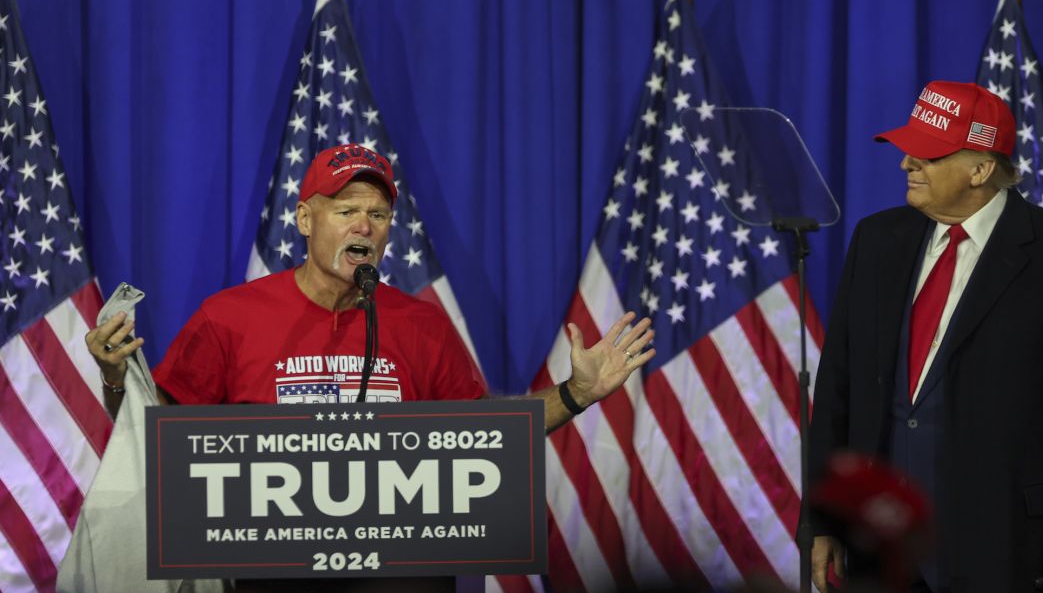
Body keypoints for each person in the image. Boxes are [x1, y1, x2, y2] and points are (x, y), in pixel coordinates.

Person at [808, 81, 1043, 593]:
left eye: (927, 153)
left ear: (980, 169)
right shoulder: (877, 240)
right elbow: (838, 385)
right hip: (882, 557)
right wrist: (823, 520)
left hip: (1009, 557)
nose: (907, 161)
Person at [84, 143, 654, 427]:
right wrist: (115, 378)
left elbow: (488, 441)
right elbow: (158, 438)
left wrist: (575, 394)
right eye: (346, 210)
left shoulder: (420, 325)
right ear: (306, 220)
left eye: (378, 215)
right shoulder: (229, 318)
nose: (364, 226)